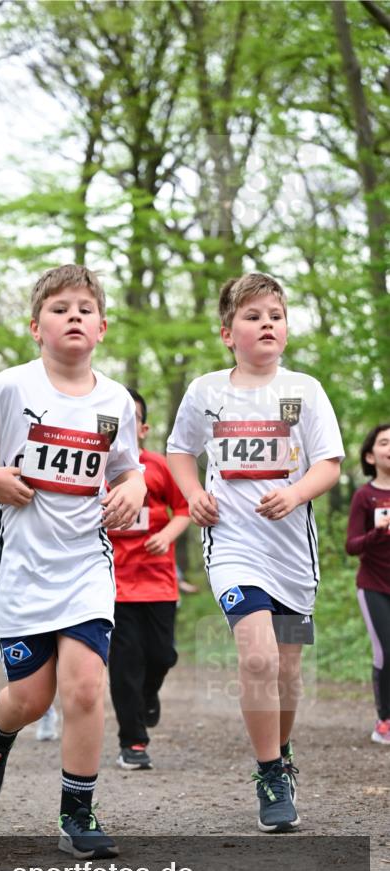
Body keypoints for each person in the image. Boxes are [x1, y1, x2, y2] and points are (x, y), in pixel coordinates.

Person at [0, 263, 145, 859]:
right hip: (22, 568)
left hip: (86, 563)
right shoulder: (11, 387)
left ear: (102, 327)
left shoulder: (115, 402)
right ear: (37, 326)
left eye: (84, 308)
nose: (73, 316)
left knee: (84, 690)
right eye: (60, 308)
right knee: (31, 698)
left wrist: (132, 488)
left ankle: (77, 814)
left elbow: (127, 468)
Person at [167, 273, 343, 834]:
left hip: (292, 553)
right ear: (228, 333)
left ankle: (282, 754)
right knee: (259, 657)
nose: (267, 323)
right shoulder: (206, 392)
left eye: (275, 314)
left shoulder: (305, 391)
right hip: (234, 544)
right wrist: (194, 495)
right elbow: (179, 450)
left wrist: (295, 492)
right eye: (253, 316)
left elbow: (329, 465)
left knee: (287, 671)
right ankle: (269, 773)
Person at [107, 387, 190, 770]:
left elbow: (185, 509)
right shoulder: (92, 471)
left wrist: (166, 535)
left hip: (158, 579)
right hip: (113, 584)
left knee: (162, 655)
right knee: (125, 663)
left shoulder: (158, 466)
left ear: (142, 429)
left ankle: (147, 696)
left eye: (132, 420)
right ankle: (133, 742)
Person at [346, 423, 390, 745]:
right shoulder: (365, 496)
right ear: (370, 455)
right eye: (384, 443)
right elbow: (352, 545)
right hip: (374, 584)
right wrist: (378, 533)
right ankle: (384, 720)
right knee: (386, 652)